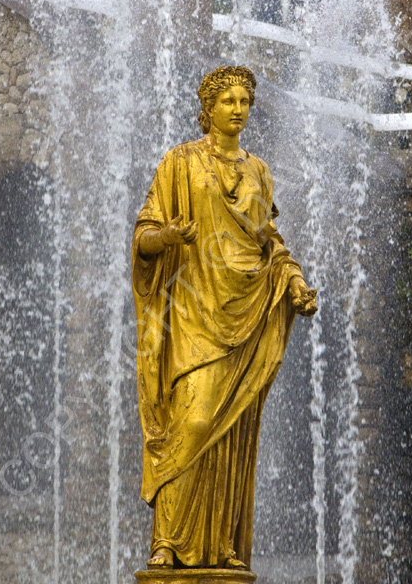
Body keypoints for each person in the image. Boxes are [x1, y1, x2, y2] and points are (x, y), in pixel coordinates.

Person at [132, 65, 317, 571]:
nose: (238, 109)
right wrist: (168, 237)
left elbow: (270, 243)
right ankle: (167, 541)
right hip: (194, 314)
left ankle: (219, 547)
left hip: (247, 311)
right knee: (191, 422)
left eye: (244, 101)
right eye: (227, 101)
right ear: (208, 108)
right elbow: (144, 236)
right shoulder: (179, 163)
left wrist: (294, 282)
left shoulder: (258, 172)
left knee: (229, 430)